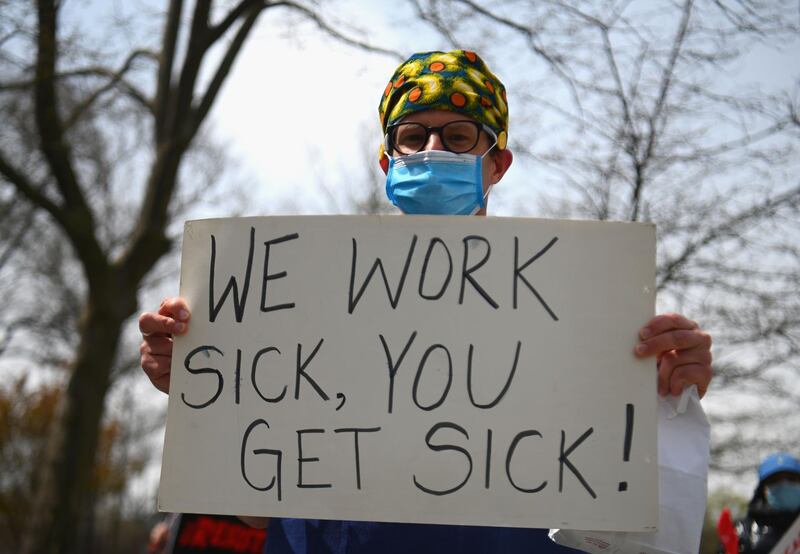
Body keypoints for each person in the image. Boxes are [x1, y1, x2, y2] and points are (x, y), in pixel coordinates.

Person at [140, 50, 714, 554]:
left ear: (497, 163)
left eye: (459, 135)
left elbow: (623, 514)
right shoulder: (294, 296)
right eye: (413, 135)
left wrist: (663, 397)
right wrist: (205, 392)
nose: (432, 149)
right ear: (389, 162)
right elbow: (255, 510)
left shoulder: (581, 306)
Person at [717, 452, 800, 553]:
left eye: (792, 478)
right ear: (762, 490)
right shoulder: (742, 531)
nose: (784, 484)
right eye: (774, 480)